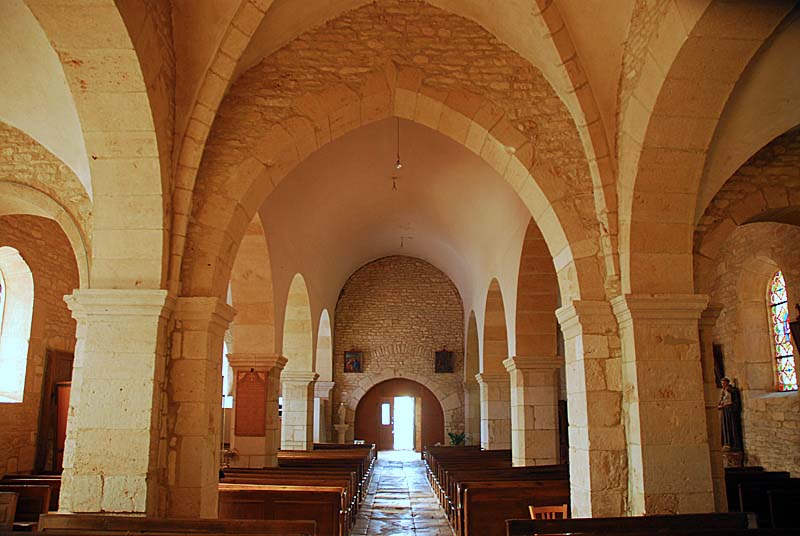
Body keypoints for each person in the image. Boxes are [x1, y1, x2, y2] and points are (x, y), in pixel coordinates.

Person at [717, 377, 743, 451]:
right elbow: (722, 400)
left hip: (730, 411)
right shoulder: (723, 391)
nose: (723, 385)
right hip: (724, 411)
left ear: (727, 383)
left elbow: (734, 401)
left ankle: (734, 444)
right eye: (722, 383)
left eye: (724, 383)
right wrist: (720, 405)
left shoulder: (732, 391)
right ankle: (727, 443)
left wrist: (728, 405)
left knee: (731, 426)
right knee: (725, 427)